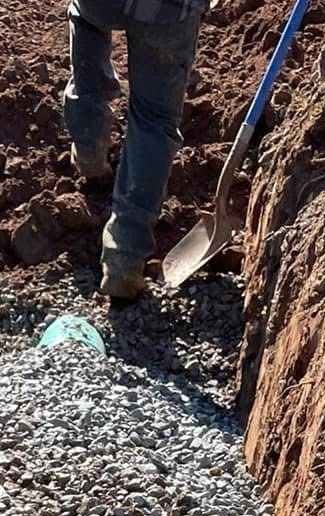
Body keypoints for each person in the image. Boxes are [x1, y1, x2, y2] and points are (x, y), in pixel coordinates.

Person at [62, 0, 203, 302]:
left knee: (86, 18)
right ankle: (123, 259)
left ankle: (88, 151)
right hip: (167, 11)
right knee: (154, 120)